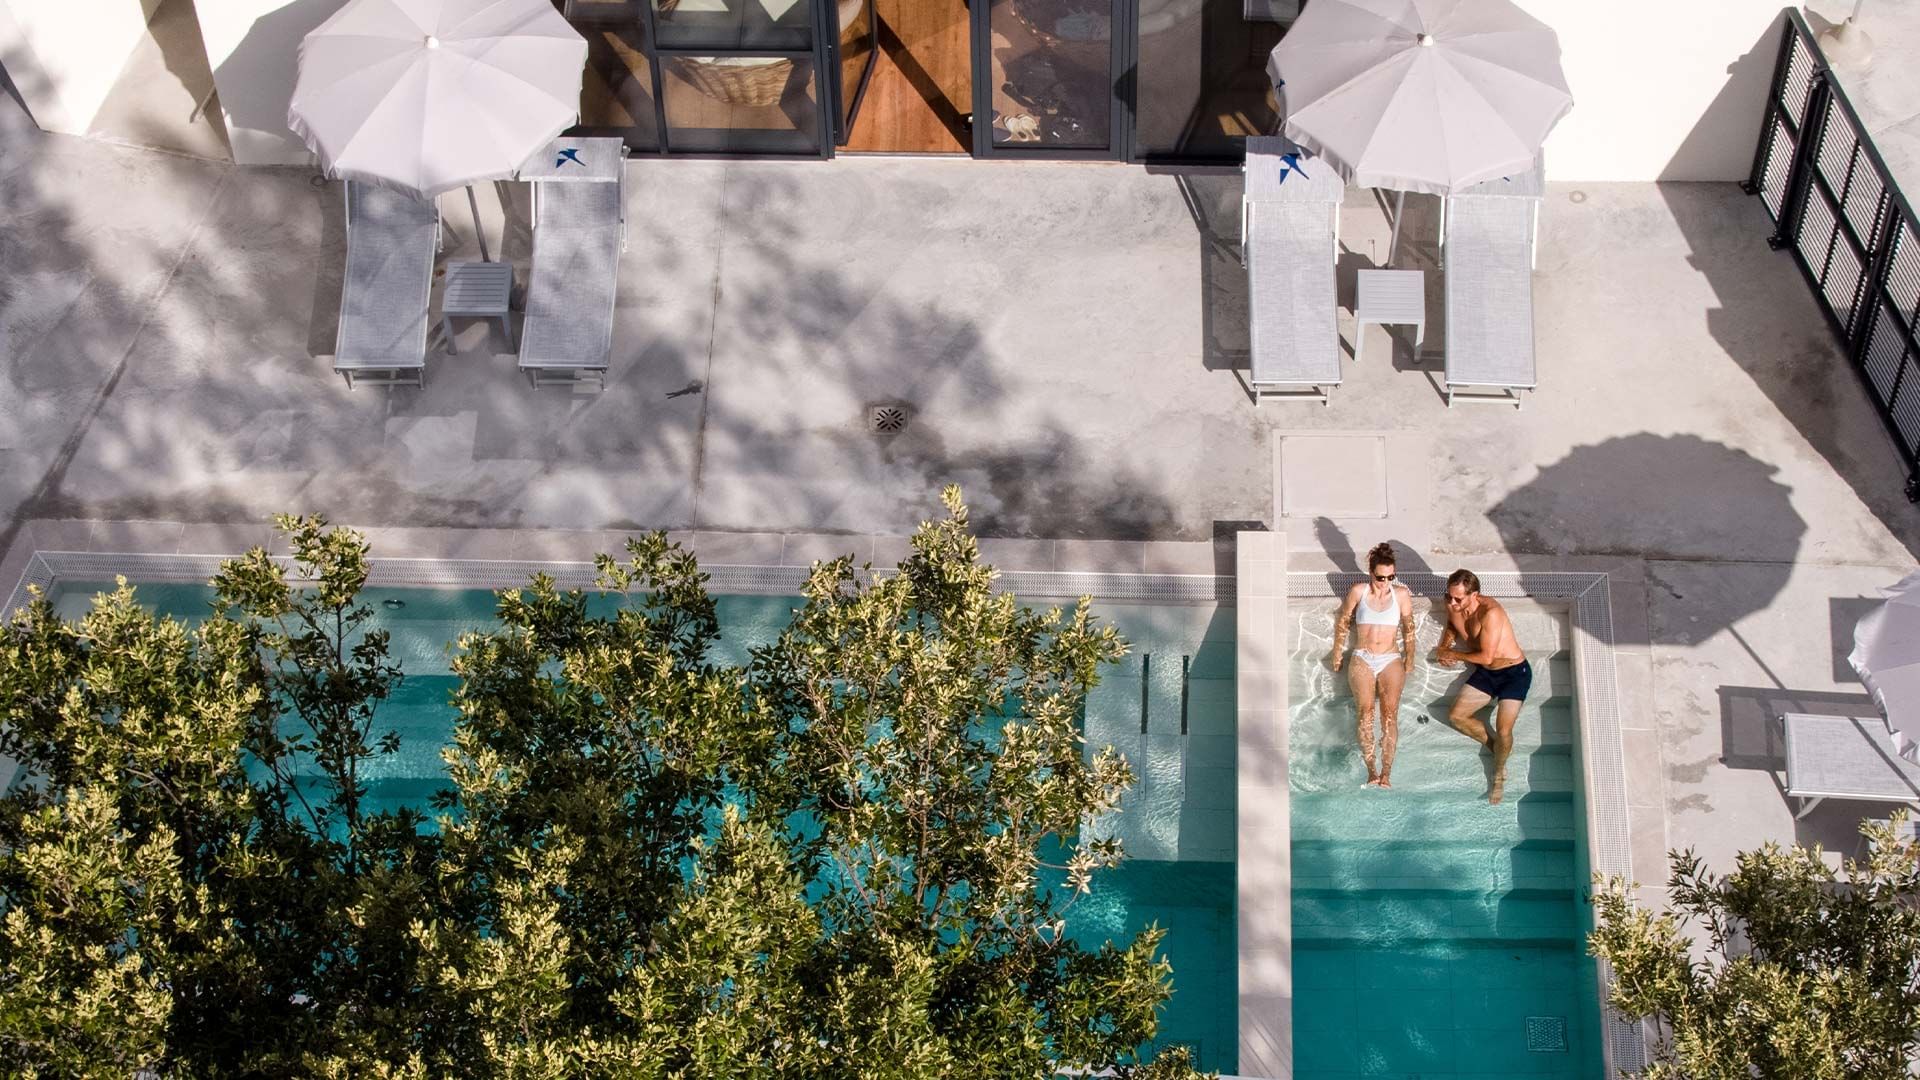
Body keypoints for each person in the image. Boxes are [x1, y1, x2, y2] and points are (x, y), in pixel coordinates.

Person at [1433, 569, 1531, 804]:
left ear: (1474, 594)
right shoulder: (1452, 603)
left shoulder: (1490, 613)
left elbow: (1487, 657)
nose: (1452, 602)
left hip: (1513, 673)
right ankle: (1497, 749)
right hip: (1487, 674)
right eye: (1450, 596)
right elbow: (1452, 623)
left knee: (1504, 729)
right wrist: (1446, 643)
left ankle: (1498, 775)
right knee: (1456, 716)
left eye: (1459, 598)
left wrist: (1453, 654)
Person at [1330, 543, 1415, 788]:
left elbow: (1409, 628)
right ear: (1371, 573)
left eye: (1391, 577)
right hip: (1363, 657)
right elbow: (1343, 620)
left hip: (1390, 658)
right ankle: (1371, 769)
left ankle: (1386, 772)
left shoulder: (1401, 595)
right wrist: (1337, 652)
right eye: (1380, 577)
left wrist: (1411, 656)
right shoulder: (1359, 591)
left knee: (1389, 715)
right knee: (1365, 712)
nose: (1385, 582)